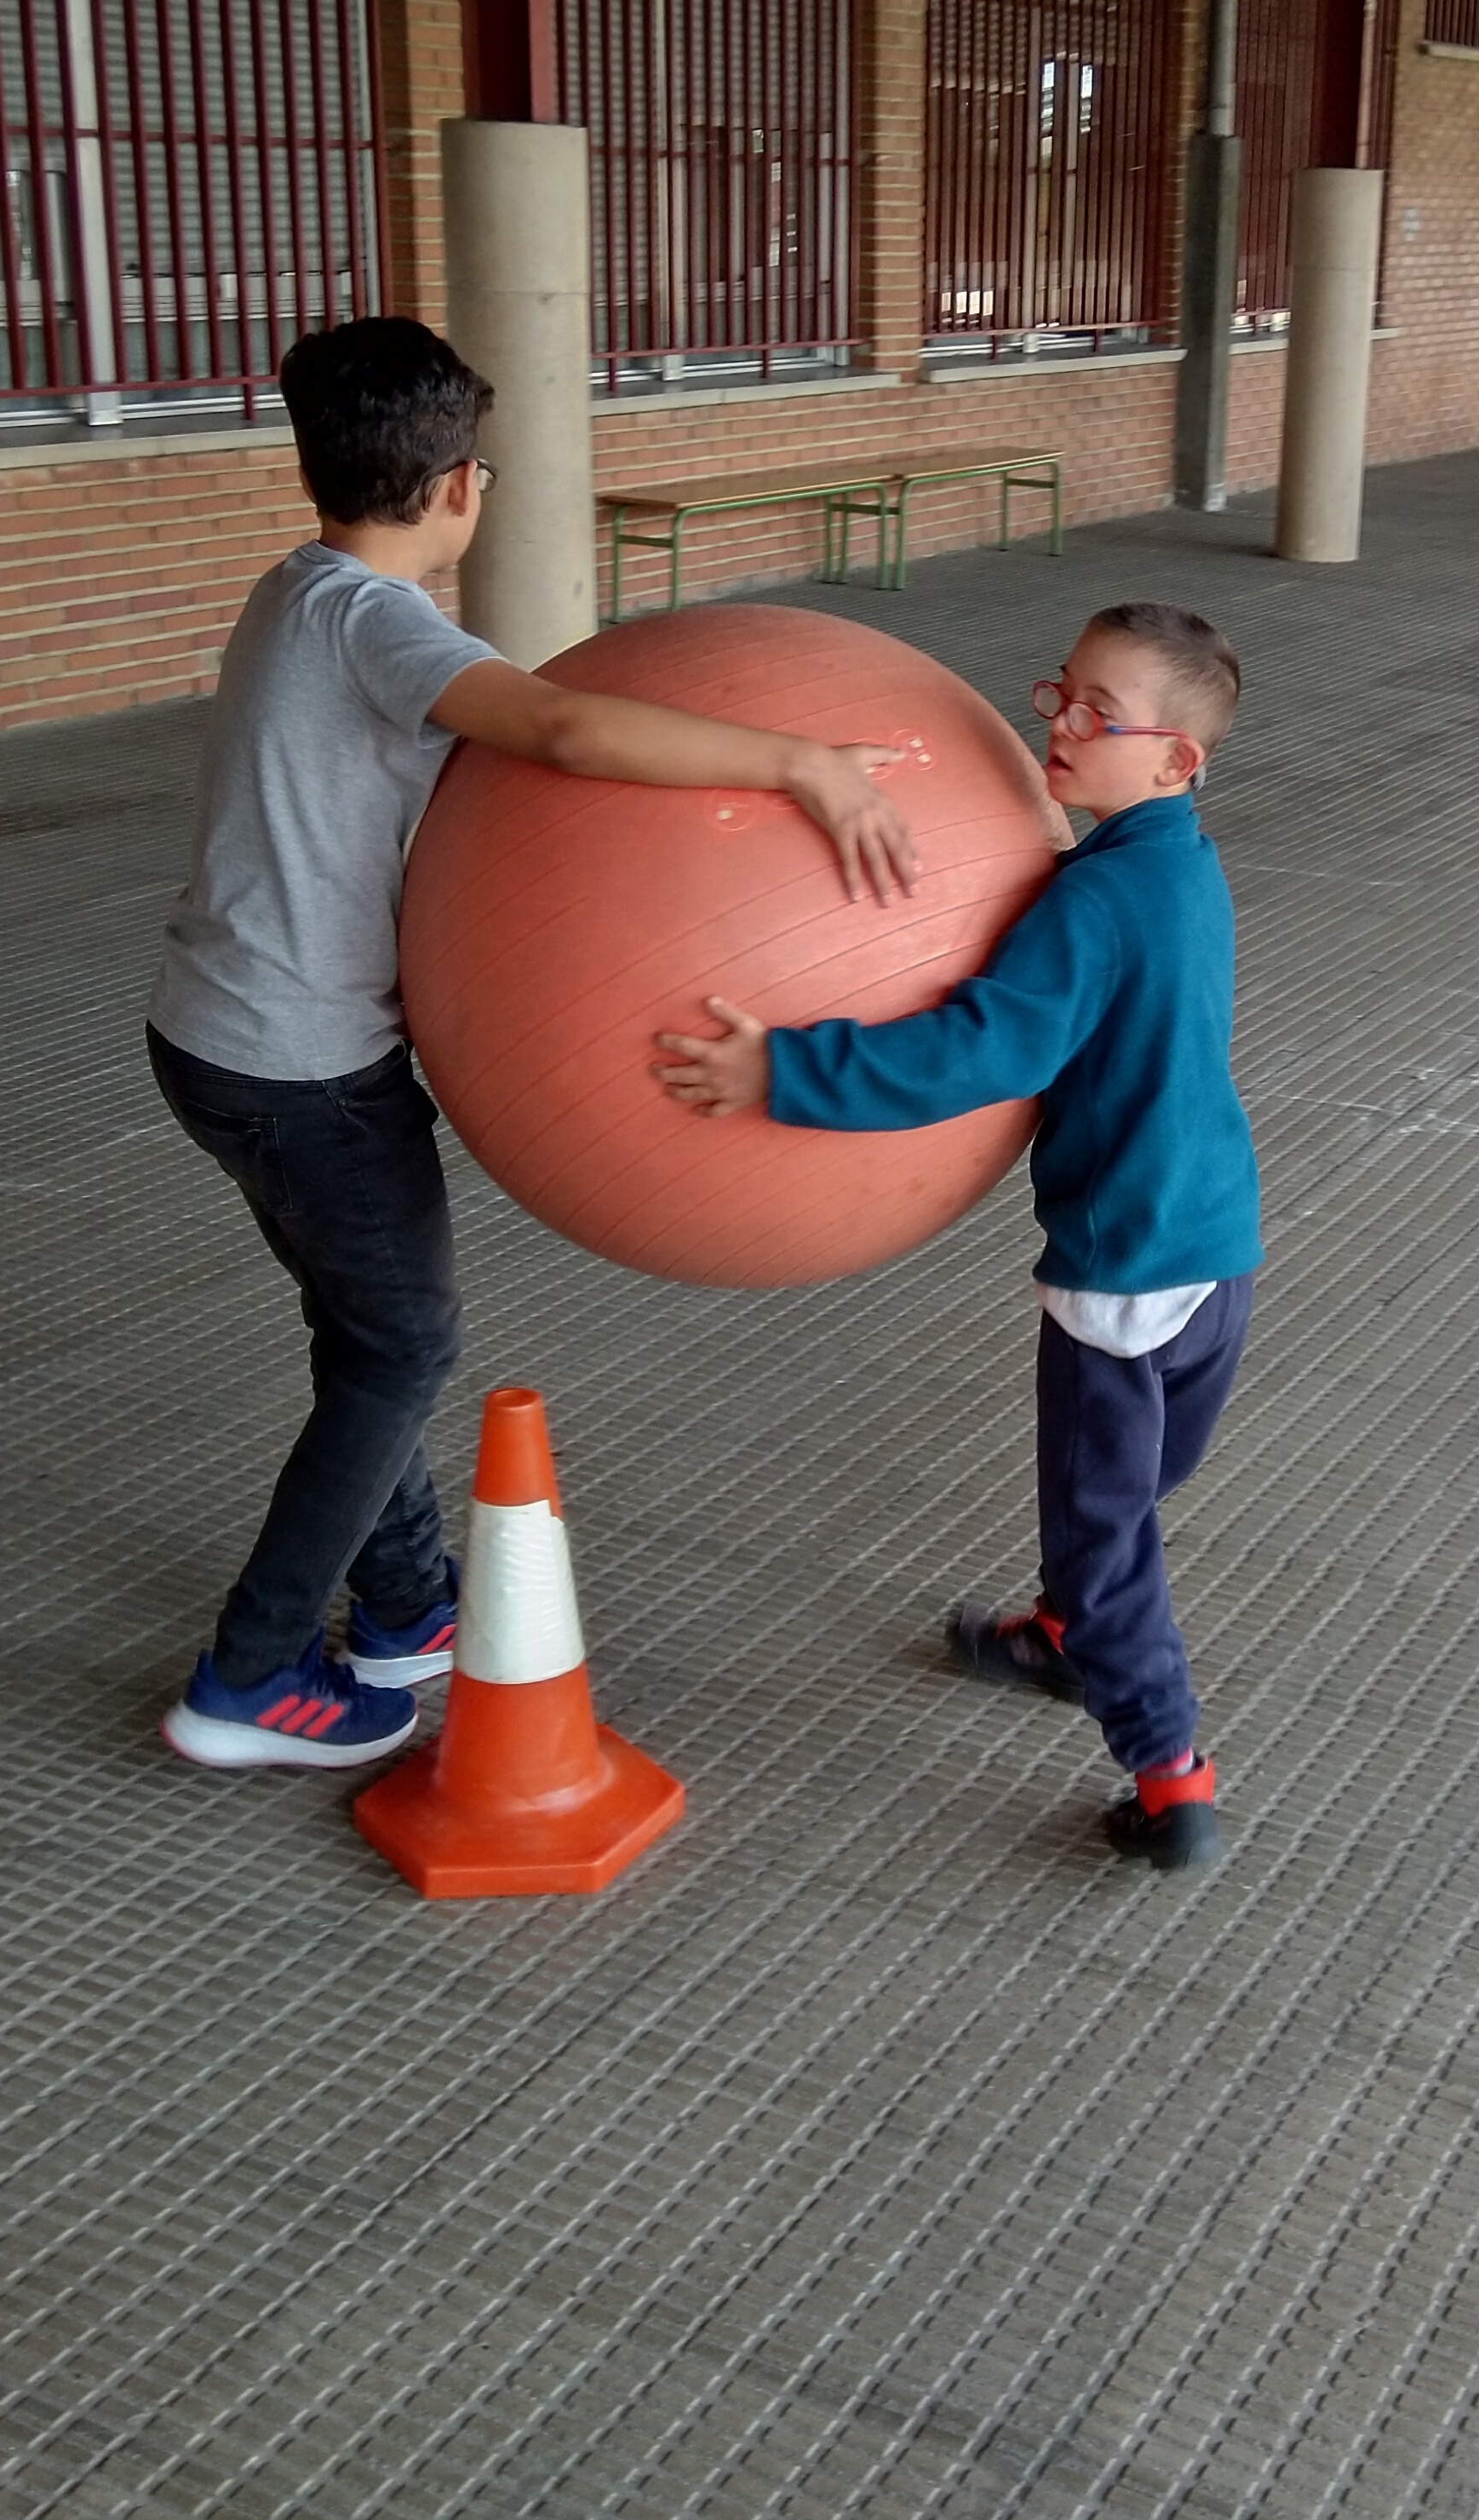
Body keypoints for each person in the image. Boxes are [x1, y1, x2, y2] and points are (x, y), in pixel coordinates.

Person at [146, 316, 919, 1772]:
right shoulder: (379, 624)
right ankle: (247, 1678)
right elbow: (558, 731)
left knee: (367, 1334)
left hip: (220, 1043)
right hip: (303, 1070)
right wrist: (799, 762)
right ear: (459, 489)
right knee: (402, 1346)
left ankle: (402, 1606)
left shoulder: (297, 589)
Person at [652, 604, 1258, 1870]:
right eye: (1061, 692)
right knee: (1135, 1487)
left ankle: (1170, 1774)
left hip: (1122, 1274)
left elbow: (981, 1051)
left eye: (1101, 713)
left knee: (1103, 1529)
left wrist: (784, 1072)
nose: (1063, 723)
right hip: (1217, 1246)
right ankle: (1068, 1633)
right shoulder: (1185, 870)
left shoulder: (1095, 902)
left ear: (1176, 760)